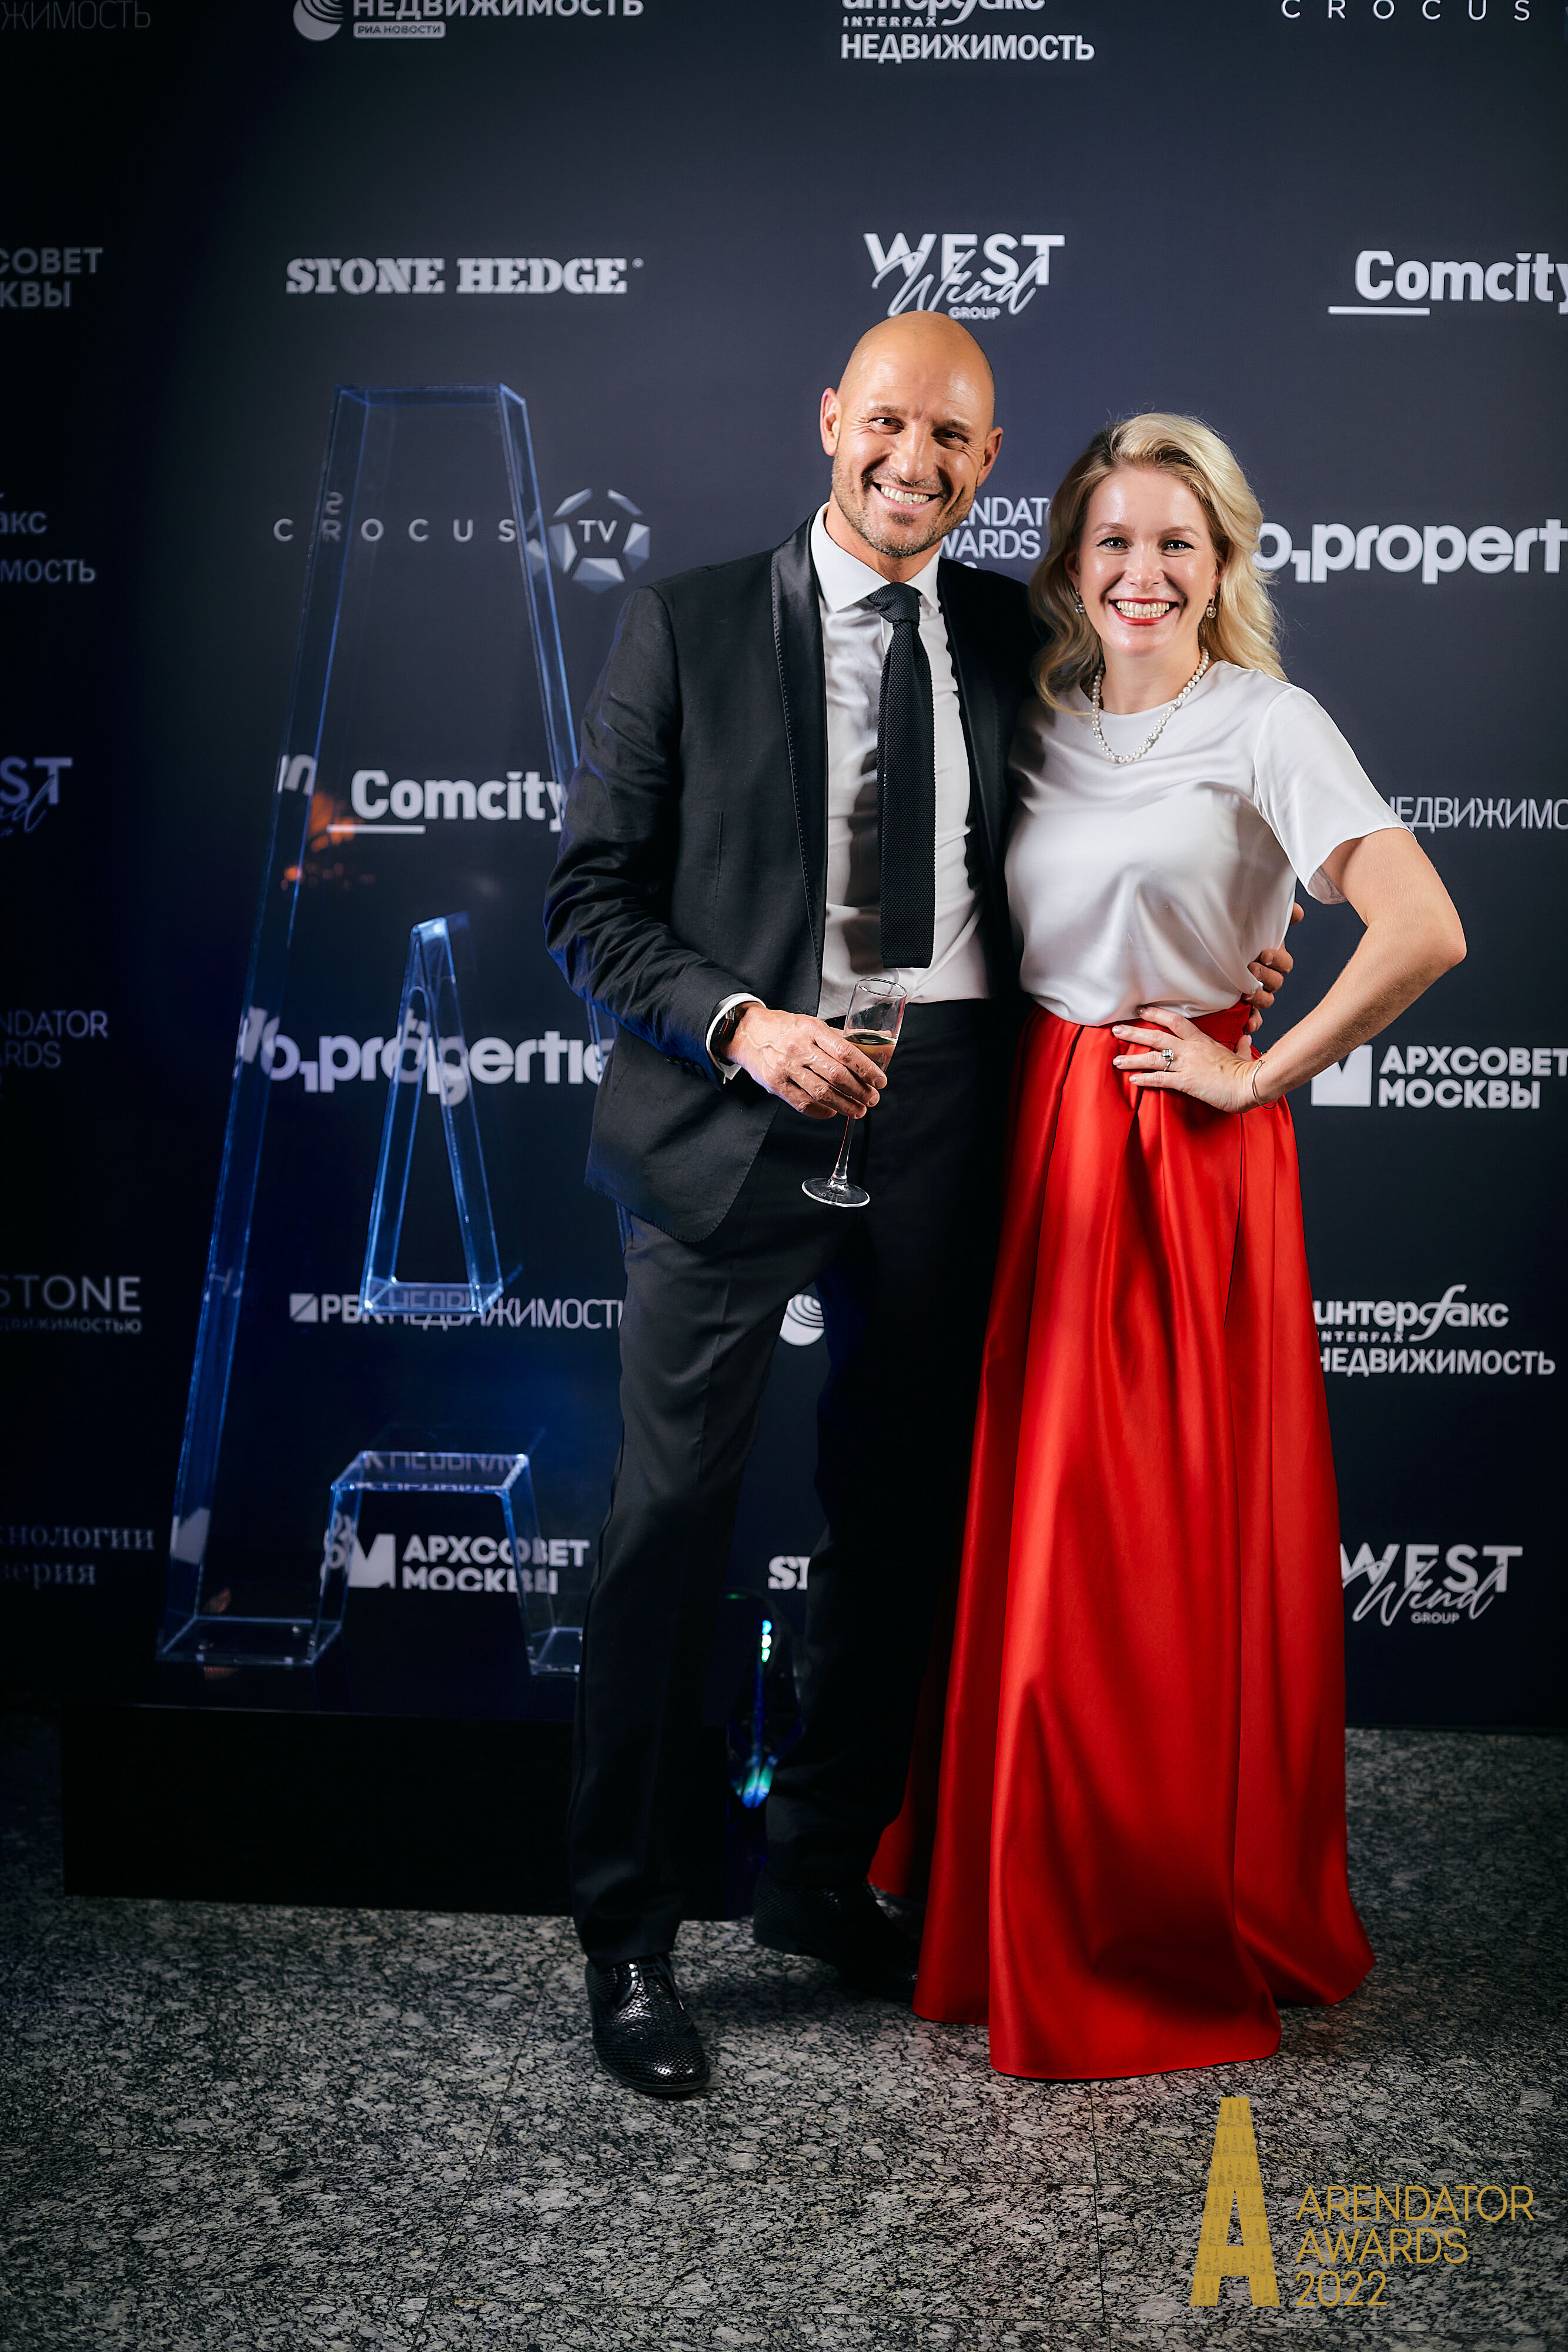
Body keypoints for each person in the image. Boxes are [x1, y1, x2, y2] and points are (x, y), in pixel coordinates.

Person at [543, 336, 1292, 2100]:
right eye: (885, 421)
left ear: (988, 457)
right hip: (738, 1107)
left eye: (948, 435)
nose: (912, 457)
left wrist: (1225, 950)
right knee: (670, 1518)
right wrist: (744, 1023)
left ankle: (821, 1871)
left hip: (956, 1111)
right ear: (831, 422)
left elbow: (1141, 799)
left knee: (908, 1518)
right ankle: (629, 1932)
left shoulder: (1015, 636)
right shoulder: (686, 624)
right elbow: (587, 900)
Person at [881, 413, 1465, 2081]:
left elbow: (1422, 925)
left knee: (1138, 1556)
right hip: (1031, 1137)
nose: (1142, 572)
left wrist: (1254, 1068)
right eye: (1113, 541)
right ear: (1072, 565)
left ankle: (1138, 1915)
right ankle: (1012, 1896)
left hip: (1175, 1155)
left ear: (1222, 568)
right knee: (1033, 1547)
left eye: (1176, 545)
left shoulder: (1271, 722)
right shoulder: (1038, 714)